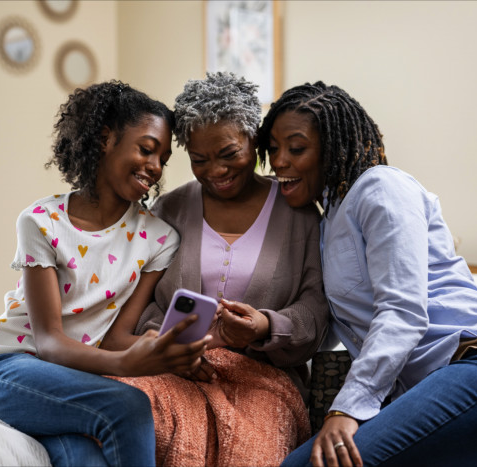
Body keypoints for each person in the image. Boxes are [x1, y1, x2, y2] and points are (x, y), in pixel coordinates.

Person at [258, 81, 477, 467]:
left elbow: (402, 311)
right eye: (274, 149)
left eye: (296, 148)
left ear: (332, 149)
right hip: (434, 383)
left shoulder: (382, 187)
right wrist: (263, 326)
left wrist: (345, 410)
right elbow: (338, 325)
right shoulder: (329, 219)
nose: (279, 161)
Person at [0, 80, 212, 467]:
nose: (156, 167)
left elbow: (114, 339)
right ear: (105, 139)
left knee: (86, 461)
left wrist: (159, 348)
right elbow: (49, 343)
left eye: (163, 158)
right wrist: (127, 366)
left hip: (63, 380)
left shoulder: (159, 239)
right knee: (127, 405)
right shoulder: (42, 223)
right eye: (146, 149)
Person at [102, 72, 329, 466]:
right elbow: (142, 301)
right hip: (172, 369)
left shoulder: (299, 212)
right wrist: (167, 340)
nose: (215, 172)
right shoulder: (168, 210)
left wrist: (264, 326)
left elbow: (316, 310)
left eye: (228, 155)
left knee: (251, 452)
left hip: (264, 381)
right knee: (125, 416)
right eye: (199, 160)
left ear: (253, 141)